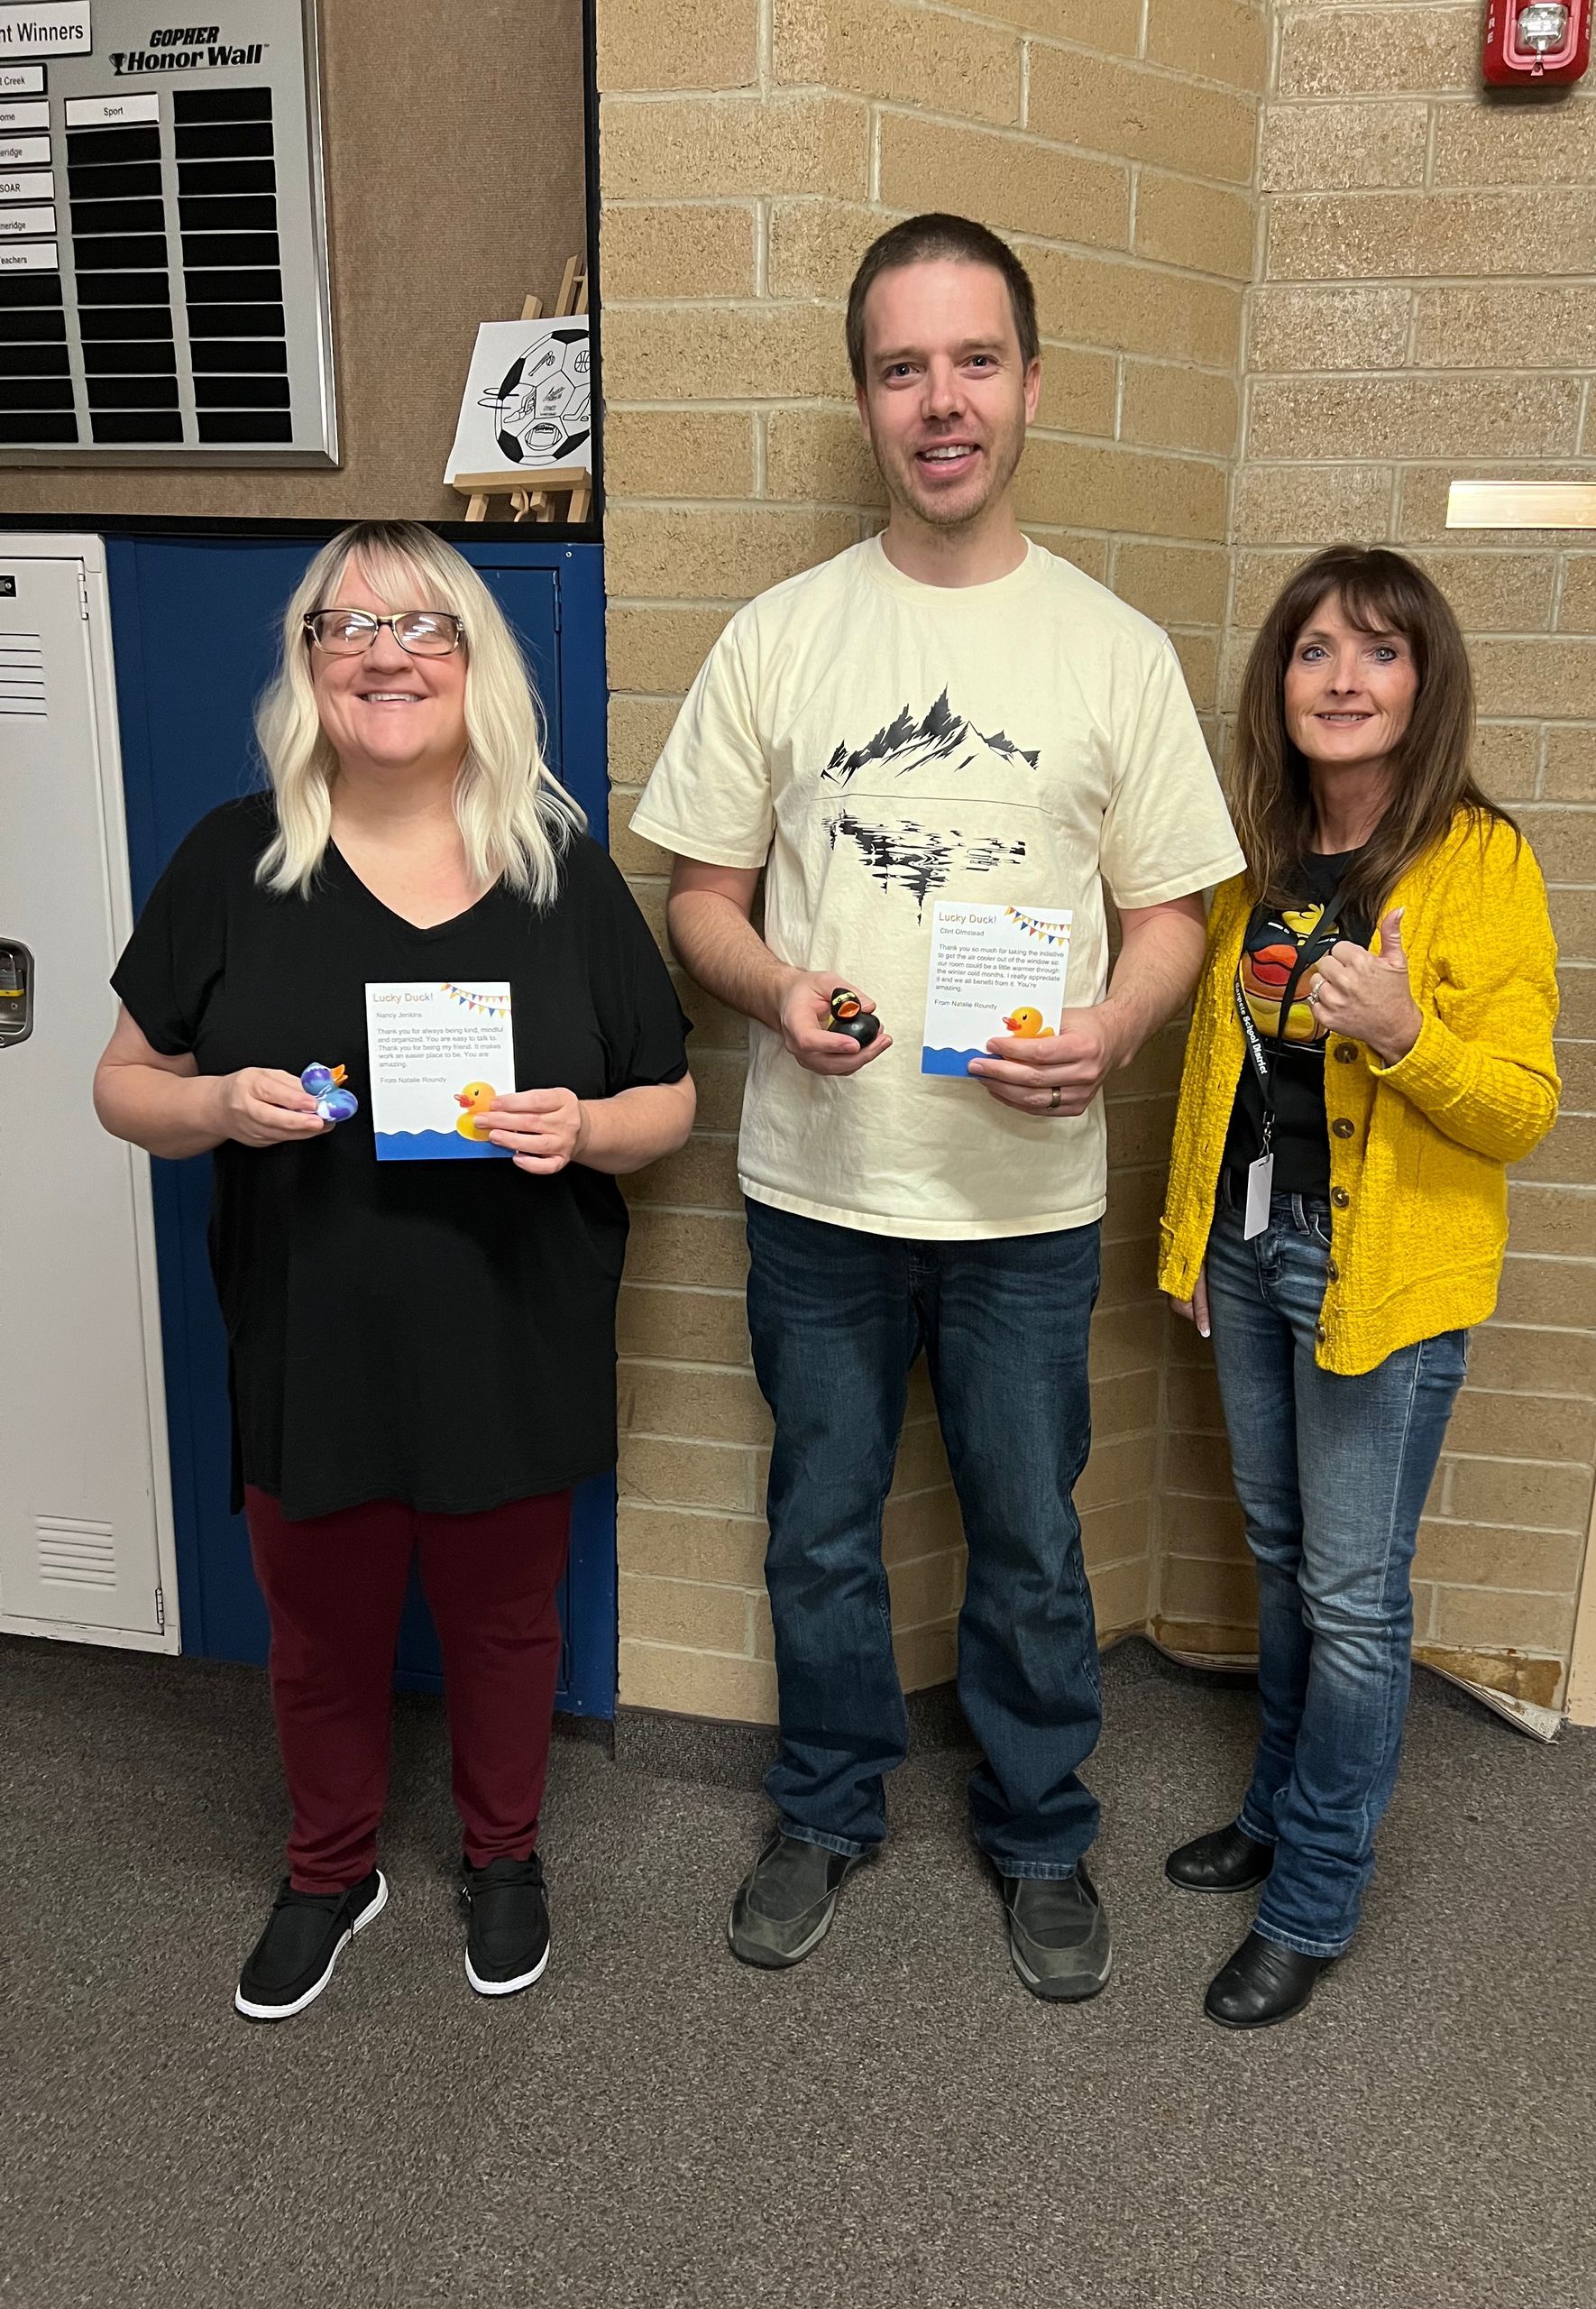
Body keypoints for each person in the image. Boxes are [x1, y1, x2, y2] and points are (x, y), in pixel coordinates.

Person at [630, 214, 1243, 2002]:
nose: (941, 400)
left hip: (1024, 1205)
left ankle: (1041, 1827)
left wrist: (1117, 1027)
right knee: (818, 1526)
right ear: (865, 399)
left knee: (1034, 1538)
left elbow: (1177, 911)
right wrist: (774, 988)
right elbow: (699, 896)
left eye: (974, 360)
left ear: (1030, 386)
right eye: (904, 367)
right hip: (818, 1188)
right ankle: (823, 1806)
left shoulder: (1112, 651)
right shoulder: (780, 638)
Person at [95, 520, 693, 2021]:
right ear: (310, 667)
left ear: (474, 663)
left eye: (425, 626)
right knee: (322, 1631)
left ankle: (506, 1858)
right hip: (313, 1336)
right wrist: (214, 1106)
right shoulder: (235, 861)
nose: (385, 653)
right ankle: (330, 1869)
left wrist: (586, 1125)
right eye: (347, 625)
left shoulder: (560, 868)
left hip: (514, 1325)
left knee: (505, 1625)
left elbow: (668, 1102)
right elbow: (120, 1083)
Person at [1160, 546, 1560, 2028]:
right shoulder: (1258, 853)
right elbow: (1221, 1071)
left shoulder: (1482, 858)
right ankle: (1274, 1810)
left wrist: (1405, 1034)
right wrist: (1190, 1242)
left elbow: (1521, 1106)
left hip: (1379, 1277)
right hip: (1251, 1255)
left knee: (1352, 1598)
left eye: (1379, 653)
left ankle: (1315, 1895)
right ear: (1282, 682)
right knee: (1282, 1559)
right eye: (1316, 650)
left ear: (1423, 681)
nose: (1343, 678)